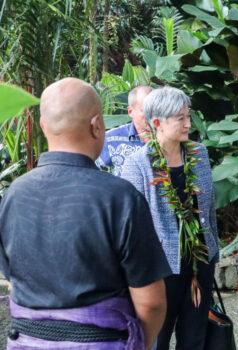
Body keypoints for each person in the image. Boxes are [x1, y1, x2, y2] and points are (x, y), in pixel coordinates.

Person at [0, 78, 170, 349]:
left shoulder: (12, 195)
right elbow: (151, 303)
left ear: (44, 127)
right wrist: (141, 343)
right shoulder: (120, 198)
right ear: (97, 125)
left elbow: (14, 278)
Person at [120, 87, 219, 350]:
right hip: (160, 270)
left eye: (188, 116)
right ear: (157, 123)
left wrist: (213, 251)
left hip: (199, 265)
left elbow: (208, 209)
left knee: (194, 336)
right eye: (180, 118)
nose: (188, 124)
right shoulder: (138, 164)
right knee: (157, 338)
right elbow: (132, 224)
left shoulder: (199, 154)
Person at [97, 85, 152, 175]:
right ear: (130, 111)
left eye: (155, 109)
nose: (152, 114)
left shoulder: (169, 136)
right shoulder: (110, 139)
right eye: (145, 110)